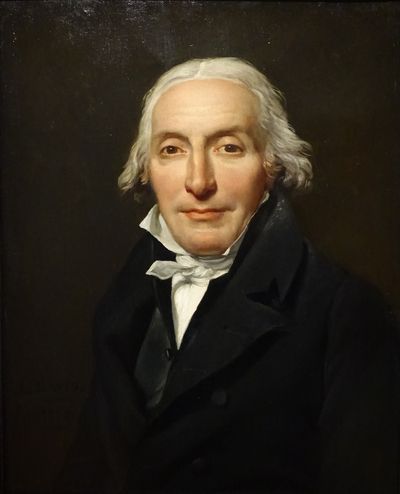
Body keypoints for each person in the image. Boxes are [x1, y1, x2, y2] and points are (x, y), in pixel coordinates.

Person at [57, 58, 400, 494]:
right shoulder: (122, 306)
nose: (198, 182)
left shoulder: (343, 312)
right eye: (173, 150)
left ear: (272, 165)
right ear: (146, 169)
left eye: (228, 148)